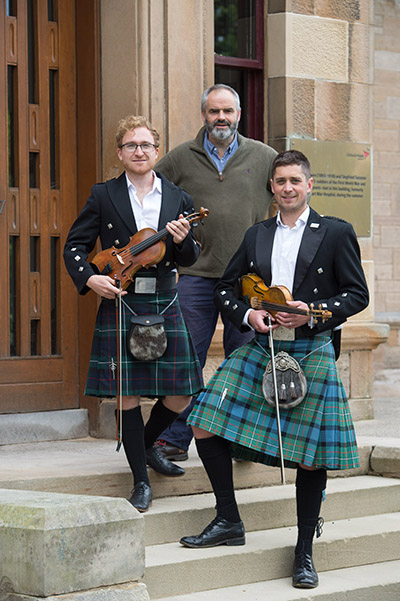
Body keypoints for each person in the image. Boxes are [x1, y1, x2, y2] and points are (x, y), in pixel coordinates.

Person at [180, 150, 369, 589]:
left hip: (311, 348)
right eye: (280, 181)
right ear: (272, 186)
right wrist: (249, 316)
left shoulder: (336, 232)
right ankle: (228, 518)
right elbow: (226, 289)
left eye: (295, 181)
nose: (287, 188)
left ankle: (304, 549)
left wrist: (314, 312)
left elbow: (356, 295)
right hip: (262, 346)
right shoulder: (257, 234)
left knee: (309, 455)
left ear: (309, 185)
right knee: (203, 420)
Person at [63, 115, 203, 513]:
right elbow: (75, 247)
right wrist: (91, 280)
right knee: (127, 393)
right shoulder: (103, 195)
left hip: (164, 299)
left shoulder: (178, 198)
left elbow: (192, 255)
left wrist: (184, 239)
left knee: (181, 391)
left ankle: (143, 448)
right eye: (131, 146)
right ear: (120, 153)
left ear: (157, 151)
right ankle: (141, 481)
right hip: (121, 298)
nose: (139, 152)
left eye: (146, 145)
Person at [154, 84, 278, 460]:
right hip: (195, 274)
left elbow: (290, 202)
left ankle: (240, 437)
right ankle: (173, 438)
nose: (221, 118)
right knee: (185, 356)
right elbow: (148, 194)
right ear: (204, 115)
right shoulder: (180, 159)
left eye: (228, 111)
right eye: (213, 111)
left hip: (248, 280)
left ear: (239, 115)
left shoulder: (265, 156)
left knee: (243, 361)